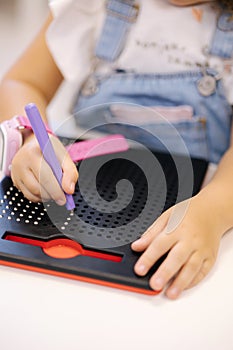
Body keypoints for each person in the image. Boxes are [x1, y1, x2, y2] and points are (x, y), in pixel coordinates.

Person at [0, 0, 233, 300]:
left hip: (194, 207)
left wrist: (213, 212)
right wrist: (34, 138)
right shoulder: (92, 6)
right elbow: (22, 81)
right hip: (79, 196)